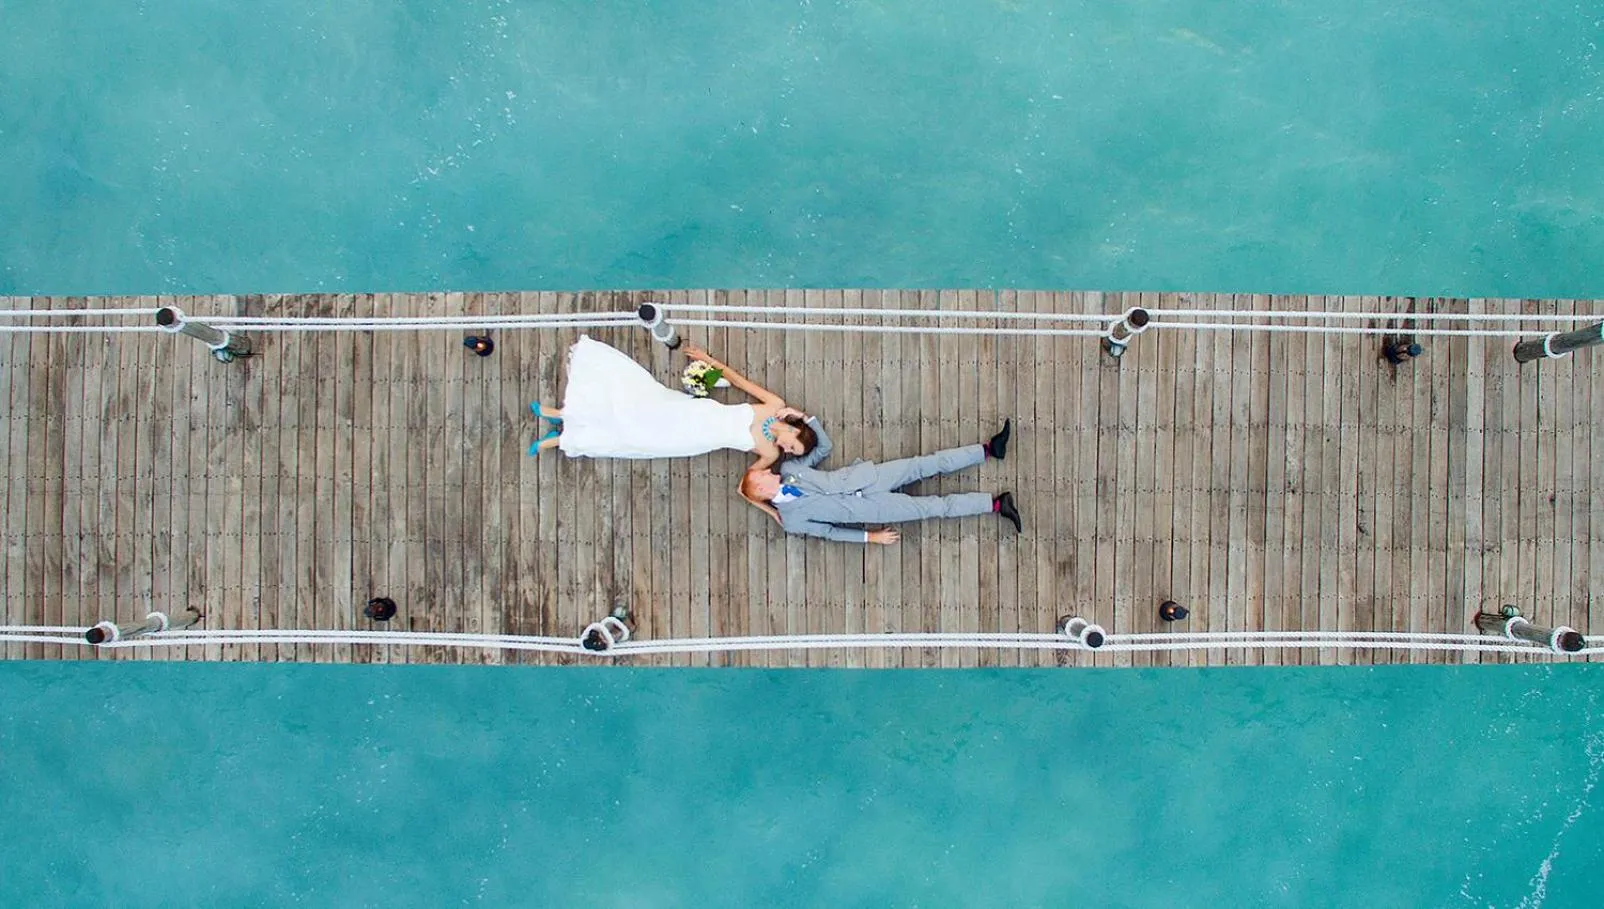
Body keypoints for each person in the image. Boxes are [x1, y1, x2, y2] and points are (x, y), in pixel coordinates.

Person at [529, 337, 827, 469]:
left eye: (791, 453)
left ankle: (562, 437)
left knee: (635, 435)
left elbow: (749, 486)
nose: (787, 451)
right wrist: (709, 361)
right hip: (693, 412)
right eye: (793, 446)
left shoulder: (770, 453)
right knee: (634, 408)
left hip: (691, 439)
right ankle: (563, 415)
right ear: (795, 430)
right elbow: (740, 382)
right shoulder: (774, 406)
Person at [739, 421, 1020, 544]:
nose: (768, 470)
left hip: (870, 477)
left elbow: (824, 447)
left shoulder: (790, 468)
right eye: (762, 474)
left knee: (925, 463)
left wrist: (806, 419)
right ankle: (995, 504)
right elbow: (830, 533)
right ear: (761, 489)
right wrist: (870, 537)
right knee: (934, 507)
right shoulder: (791, 520)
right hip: (874, 509)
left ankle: (987, 449)